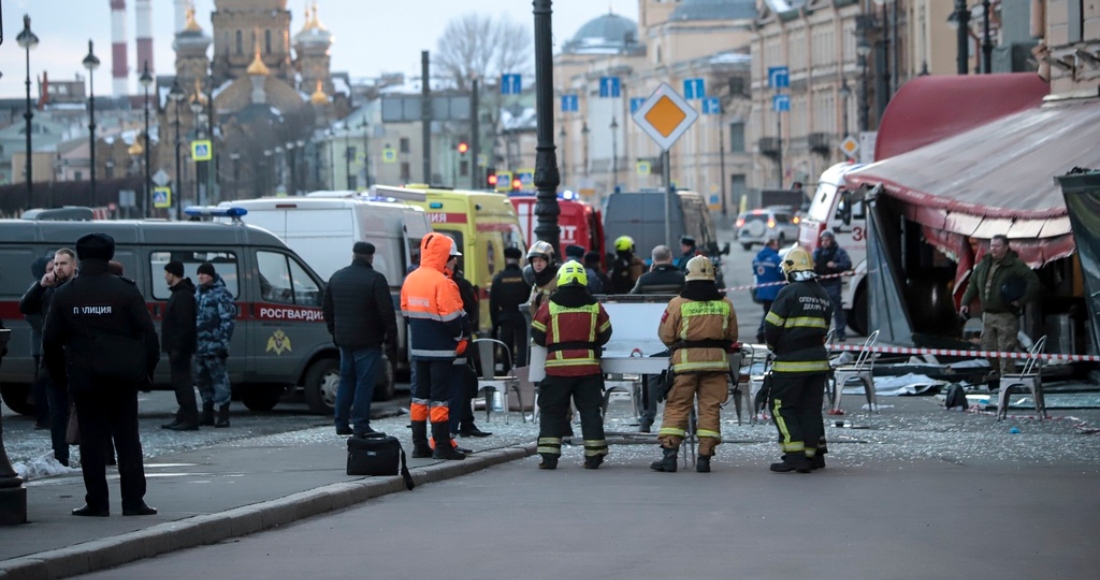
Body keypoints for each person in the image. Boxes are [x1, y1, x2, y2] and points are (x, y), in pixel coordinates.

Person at [41, 233, 160, 516]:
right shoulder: (125, 290)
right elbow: (148, 335)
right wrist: (145, 373)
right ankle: (133, 501)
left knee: (91, 442)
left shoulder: (65, 293)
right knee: (128, 439)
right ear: (110, 256)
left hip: (84, 378)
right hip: (122, 377)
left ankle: (97, 501)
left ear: (79, 257)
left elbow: (50, 340)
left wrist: (60, 377)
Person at [649, 256, 739, 474]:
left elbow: (666, 334)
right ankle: (704, 458)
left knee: (677, 406)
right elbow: (732, 335)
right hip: (716, 365)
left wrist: (680, 347)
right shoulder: (725, 304)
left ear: (688, 277)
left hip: (685, 365)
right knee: (710, 408)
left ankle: (669, 457)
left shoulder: (678, 303)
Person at [530, 262, 612, 470]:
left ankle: (549, 457)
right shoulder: (594, 305)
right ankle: (594, 455)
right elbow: (606, 334)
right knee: (590, 411)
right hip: (588, 368)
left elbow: (537, 334)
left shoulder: (549, 306)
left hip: (558, 369)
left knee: (551, 411)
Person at [763, 246, 833, 473]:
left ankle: (794, 455)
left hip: (791, 363)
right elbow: (826, 328)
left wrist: (774, 347)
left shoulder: (789, 292)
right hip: (818, 362)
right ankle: (811, 455)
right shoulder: (823, 293)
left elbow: (771, 326)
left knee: (781, 407)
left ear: (790, 270)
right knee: (810, 409)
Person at [400, 233, 467, 461]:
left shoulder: (411, 279)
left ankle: (419, 446)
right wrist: (459, 336)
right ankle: (441, 445)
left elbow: (406, 313)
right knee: (440, 399)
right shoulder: (442, 282)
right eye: (451, 256)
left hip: (419, 348)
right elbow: (451, 319)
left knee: (419, 397)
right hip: (441, 350)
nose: (454, 261)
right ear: (443, 255)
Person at [323, 242, 398, 437]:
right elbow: (387, 313)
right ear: (371, 257)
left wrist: (335, 332)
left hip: (344, 341)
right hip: (369, 341)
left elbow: (327, 308)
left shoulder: (337, 277)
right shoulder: (375, 279)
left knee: (346, 380)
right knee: (365, 382)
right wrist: (391, 339)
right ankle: (360, 424)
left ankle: (341, 422)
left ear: (354, 255)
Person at [959, 234, 1041, 389]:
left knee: (1005, 352)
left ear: (1006, 247)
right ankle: (1004, 378)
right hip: (988, 316)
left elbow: (1033, 282)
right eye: (992, 246)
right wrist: (965, 302)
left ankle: (1009, 386)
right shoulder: (984, 264)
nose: (993, 249)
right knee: (989, 350)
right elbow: (973, 284)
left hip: (1006, 315)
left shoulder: (1014, 265)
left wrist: (1021, 300)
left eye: (997, 246)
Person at [20, 248, 76, 467]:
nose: (57, 269)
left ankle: (99, 454)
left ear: (73, 266)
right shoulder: (47, 289)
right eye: (55, 264)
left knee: (87, 410)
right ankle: (61, 457)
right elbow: (25, 306)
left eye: (62, 264)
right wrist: (40, 285)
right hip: (54, 362)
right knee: (57, 413)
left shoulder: (77, 287)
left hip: (77, 360)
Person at [628, 245, 687, 433]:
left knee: (650, 377)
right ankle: (685, 418)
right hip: (679, 336)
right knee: (682, 377)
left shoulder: (644, 280)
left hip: (653, 336)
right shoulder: (681, 278)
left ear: (653, 261)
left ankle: (647, 419)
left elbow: (630, 299)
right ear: (670, 258)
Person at [445, 244, 492, 441]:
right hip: (456, 343)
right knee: (458, 385)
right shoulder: (455, 284)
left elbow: (471, 312)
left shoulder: (459, 284)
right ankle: (455, 427)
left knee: (465, 382)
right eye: (452, 257)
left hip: (457, 342)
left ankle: (463, 423)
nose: (455, 260)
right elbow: (469, 312)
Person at [194, 262, 236, 428]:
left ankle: (224, 414)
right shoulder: (197, 292)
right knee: (202, 380)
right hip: (200, 345)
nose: (201, 277)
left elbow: (227, 320)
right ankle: (207, 413)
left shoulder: (222, 293)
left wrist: (221, 341)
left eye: (204, 274)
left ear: (211, 275)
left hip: (215, 345)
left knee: (219, 380)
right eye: (199, 274)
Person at [159, 260, 200, 431]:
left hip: (180, 349)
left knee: (183, 384)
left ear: (173, 274)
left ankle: (190, 419)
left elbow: (185, 325)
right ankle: (182, 416)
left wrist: (178, 348)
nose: (164, 276)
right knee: (179, 383)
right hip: (176, 347)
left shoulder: (183, 295)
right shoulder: (179, 293)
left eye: (166, 272)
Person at [490, 246, 532, 371]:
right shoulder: (525, 278)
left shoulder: (499, 278)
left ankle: (507, 371)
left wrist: (495, 323)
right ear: (519, 260)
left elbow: (493, 304)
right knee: (522, 346)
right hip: (522, 317)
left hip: (505, 318)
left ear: (506, 259)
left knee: (505, 347)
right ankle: (521, 371)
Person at [812, 230, 852, 341]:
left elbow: (847, 264)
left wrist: (835, 265)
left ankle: (840, 333)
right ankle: (822, 333)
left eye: (827, 240)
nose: (824, 243)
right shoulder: (817, 252)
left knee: (837, 309)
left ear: (832, 240)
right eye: (823, 240)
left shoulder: (838, 252)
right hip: (820, 284)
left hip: (833, 284)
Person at [27, 257, 53, 430]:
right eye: (50, 268)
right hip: (41, 344)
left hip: (48, 343)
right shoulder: (37, 288)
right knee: (42, 383)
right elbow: (31, 316)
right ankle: (42, 417)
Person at [752, 237, 784, 344]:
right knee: (772, 313)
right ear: (772, 245)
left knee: (767, 312)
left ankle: (763, 332)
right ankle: (763, 332)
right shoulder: (775, 258)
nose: (778, 247)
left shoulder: (757, 258)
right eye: (776, 244)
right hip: (774, 291)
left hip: (762, 291)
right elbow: (782, 273)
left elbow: (756, 272)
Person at [524, 240, 559, 313]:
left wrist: (540, 298)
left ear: (550, 261)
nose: (537, 264)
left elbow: (560, 304)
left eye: (541, 260)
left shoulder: (558, 279)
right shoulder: (536, 281)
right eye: (534, 261)